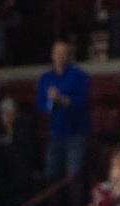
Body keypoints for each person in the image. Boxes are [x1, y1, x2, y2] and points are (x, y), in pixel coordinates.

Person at [37, 40, 90, 180]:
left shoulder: (79, 76)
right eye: (56, 53)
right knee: (51, 175)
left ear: (67, 56)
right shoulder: (45, 78)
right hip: (55, 133)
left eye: (62, 53)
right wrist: (51, 102)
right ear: (52, 55)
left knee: (73, 176)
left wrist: (63, 100)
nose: (59, 56)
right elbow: (41, 104)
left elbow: (83, 101)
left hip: (76, 133)